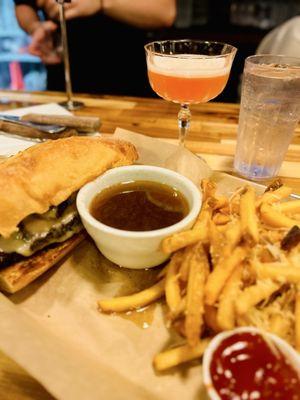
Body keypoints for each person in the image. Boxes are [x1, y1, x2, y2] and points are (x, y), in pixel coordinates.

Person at [13, 0, 176, 96]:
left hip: (130, 81)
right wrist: (35, 27)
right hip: (64, 80)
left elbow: (164, 12)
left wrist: (101, 2)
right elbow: (23, 5)